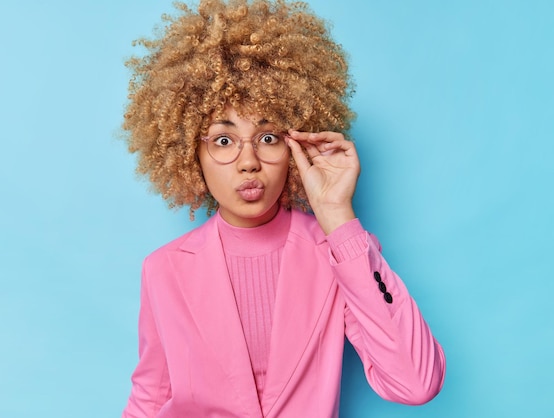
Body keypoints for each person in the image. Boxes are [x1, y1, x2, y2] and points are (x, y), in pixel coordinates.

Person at [120, 0, 446, 417]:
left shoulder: (338, 252)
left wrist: (337, 215)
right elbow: (150, 397)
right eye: (223, 140)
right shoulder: (164, 269)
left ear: (294, 144)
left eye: (268, 137)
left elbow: (416, 383)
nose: (248, 160)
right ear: (189, 154)